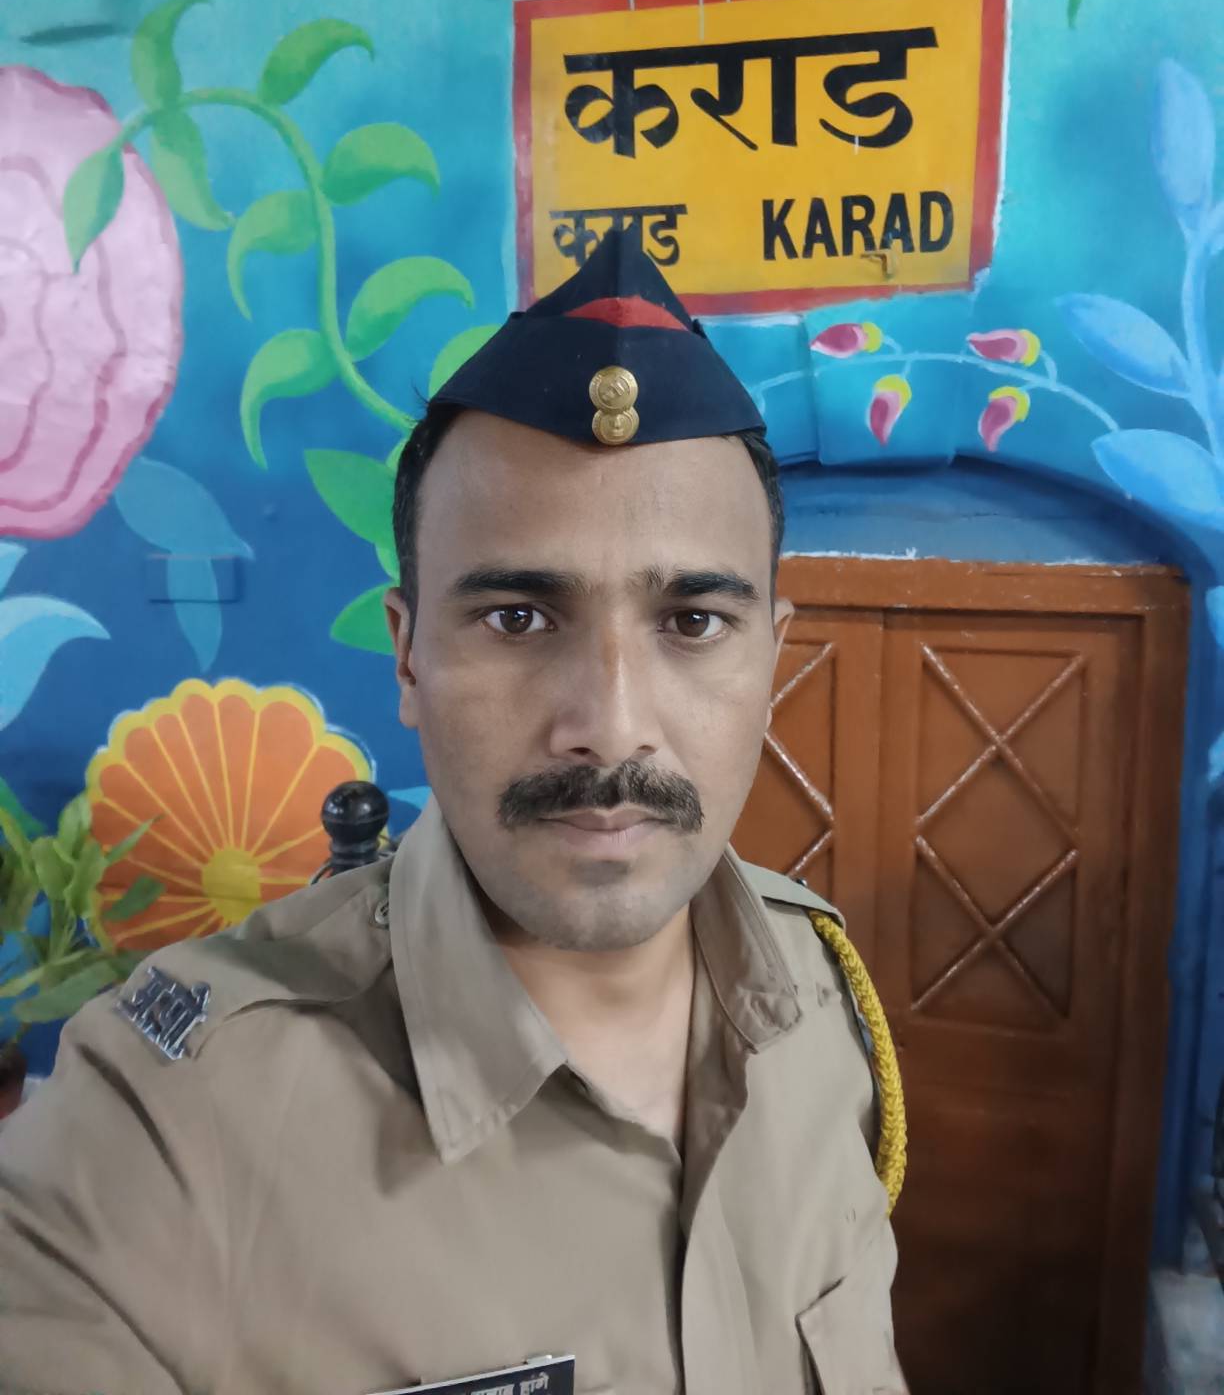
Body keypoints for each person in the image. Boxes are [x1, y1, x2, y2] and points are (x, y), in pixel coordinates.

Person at [0, 227, 907, 1395]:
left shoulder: (821, 995)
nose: (609, 726)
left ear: (772, 663)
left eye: (692, 623)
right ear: (408, 656)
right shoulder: (165, 1131)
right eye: (518, 619)